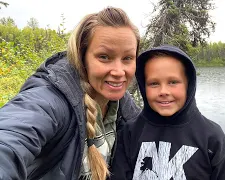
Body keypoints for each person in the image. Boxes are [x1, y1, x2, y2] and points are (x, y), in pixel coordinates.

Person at [0, 7, 141, 180]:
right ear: (82, 57)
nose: (119, 71)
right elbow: (10, 138)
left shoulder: (126, 110)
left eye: (127, 58)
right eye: (104, 57)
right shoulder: (53, 99)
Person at [111, 45, 225, 180]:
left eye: (173, 82)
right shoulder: (130, 133)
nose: (163, 92)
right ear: (144, 86)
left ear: (188, 85)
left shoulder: (211, 137)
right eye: (154, 83)